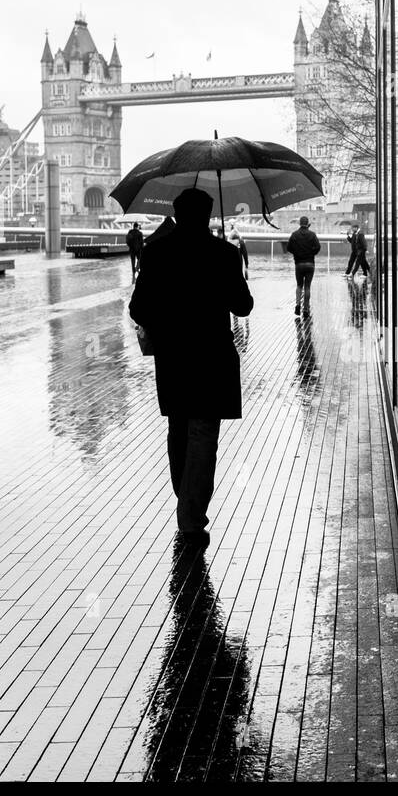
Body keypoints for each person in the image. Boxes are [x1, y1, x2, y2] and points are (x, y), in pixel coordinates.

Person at [129, 189, 254, 549]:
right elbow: (242, 306)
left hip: (174, 359)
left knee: (178, 430)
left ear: (176, 215)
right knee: (203, 437)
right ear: (209, 215)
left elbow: (138, 309)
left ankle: (186, 503)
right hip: (212, 358)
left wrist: (167, 321)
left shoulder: (156, 253)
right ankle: (192, 514)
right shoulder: (224, 254)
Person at [286, 215, 321, 317]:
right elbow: (318, 247)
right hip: (310, 264)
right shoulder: (312, 235)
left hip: (299, 264)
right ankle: (306, 309)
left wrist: (296, 253)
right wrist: (312, 253)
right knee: (307, 287)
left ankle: (297, 306)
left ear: (299, 223)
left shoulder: (294, 234)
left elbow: (288, 248)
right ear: (307, 224)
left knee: (299, 285)